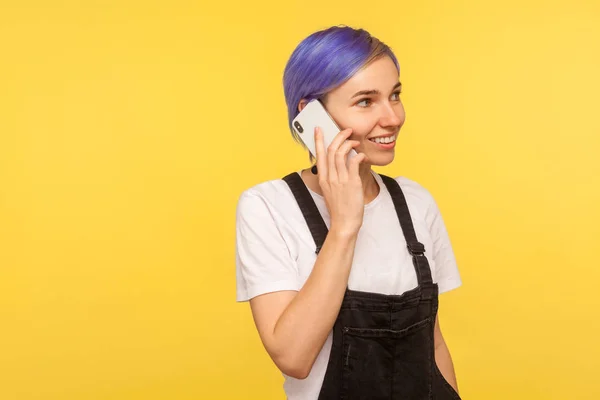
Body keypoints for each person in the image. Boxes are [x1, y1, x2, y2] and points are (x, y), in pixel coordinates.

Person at [235, 25, 463, 400]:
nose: (392, 118)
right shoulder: (268, 207)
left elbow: (434, 346)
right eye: (365, 101)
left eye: (395, 95)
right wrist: (344, 226)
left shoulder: (416, 202)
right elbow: (293, 356)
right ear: (312, 117)